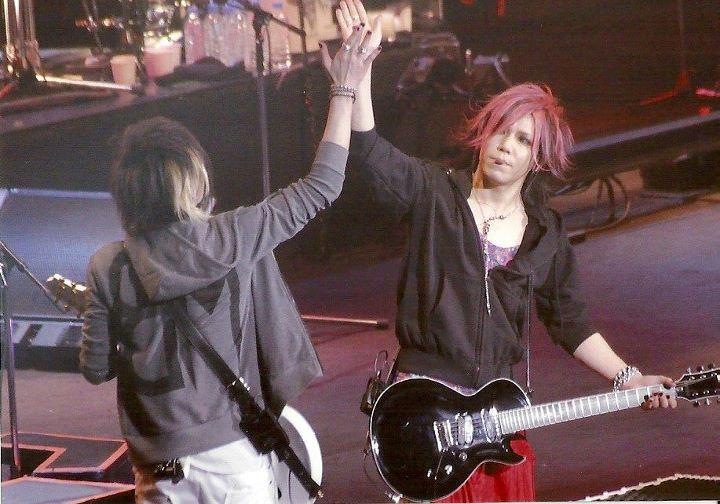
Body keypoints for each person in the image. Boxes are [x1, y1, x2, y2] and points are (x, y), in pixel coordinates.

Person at [327, 1, 677, 501]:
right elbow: (368, 149)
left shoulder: (544, 234)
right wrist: (359, 72)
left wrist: (628, 377)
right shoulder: (435, 194)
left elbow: (571, 323)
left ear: (538, 158)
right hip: (428, 414)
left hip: (497, 420)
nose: (506, 145)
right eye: (501, 130)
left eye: (523, 140)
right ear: (482, 133)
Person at [79, 28, 379, 504]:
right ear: (191, 178)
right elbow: (323, 184)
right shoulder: (232, 235)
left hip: (158, 468)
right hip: (233, 458)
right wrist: (343, 88)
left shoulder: (106, 265)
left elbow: (96, 369)